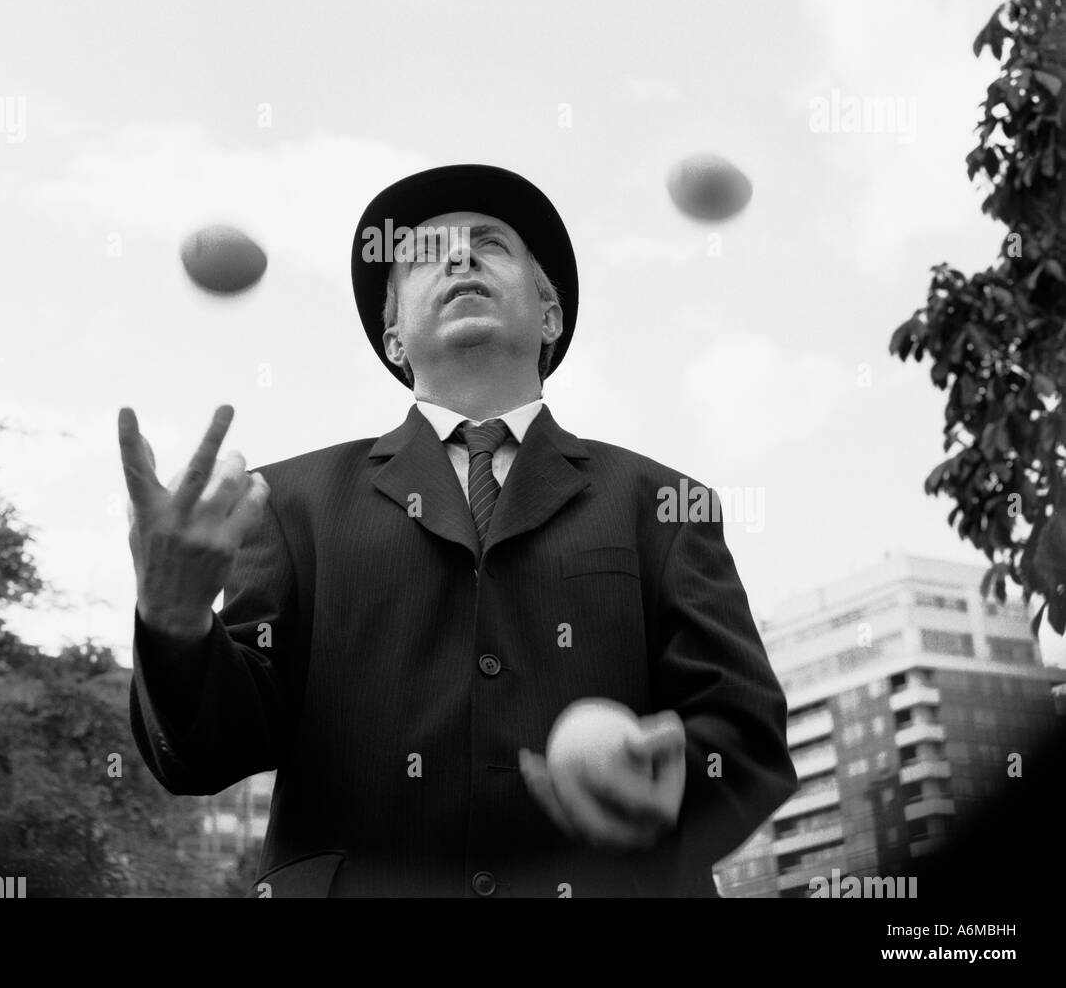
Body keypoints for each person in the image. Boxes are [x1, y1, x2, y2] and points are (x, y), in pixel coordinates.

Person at [123, 163, 797, 897]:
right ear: (393, 335)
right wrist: (176, 618)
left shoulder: (665, 501)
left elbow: (747, 736)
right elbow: (203, 755)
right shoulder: (287, 503)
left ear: (549, 315)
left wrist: (672, 782)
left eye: (490, 244)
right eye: (420, 255)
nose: (457, 256)